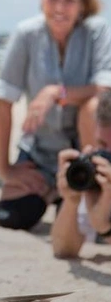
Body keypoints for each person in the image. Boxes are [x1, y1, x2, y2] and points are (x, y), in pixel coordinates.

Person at [0, 0, 111, 230]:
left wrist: (56, 92)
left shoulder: (97, 30)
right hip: (40, 153)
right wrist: (6, 169)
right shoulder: (26, 34)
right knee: (12, 217)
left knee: (93, 105)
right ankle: (55, 193)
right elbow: (3, 100)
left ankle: (86, 191)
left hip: (84, 151)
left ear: (82, 2)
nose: (60, 7)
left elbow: (105, 89)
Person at [52, 90, 111, 258]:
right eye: (102, 144)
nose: (107, 156)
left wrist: (105, 229)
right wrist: (71, 201)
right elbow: (63, 248)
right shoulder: (99, 176)